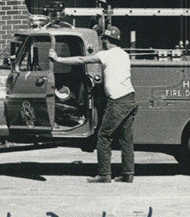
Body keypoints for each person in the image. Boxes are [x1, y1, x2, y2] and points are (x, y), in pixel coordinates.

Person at [49, 26, 137, 183]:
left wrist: (58, 59)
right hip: (130, 99)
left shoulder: (106, 55)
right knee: (126, 139)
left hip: (117, 101)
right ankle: (128, 174)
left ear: (106, 41)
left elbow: (82, 60)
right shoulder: (124, 55)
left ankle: (104, 175)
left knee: (104, 136)